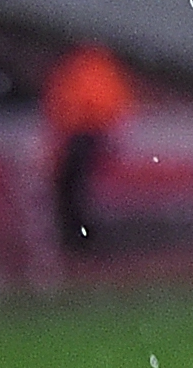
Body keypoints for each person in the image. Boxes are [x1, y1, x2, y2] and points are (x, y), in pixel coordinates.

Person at [41, 39, 134, 259]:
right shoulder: (95, 68)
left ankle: (77, 237)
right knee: (72, 187)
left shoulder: (83, 69)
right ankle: (78, 237)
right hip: (84, 133)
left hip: (84, 133)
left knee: (71, 187)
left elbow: (68, 106)